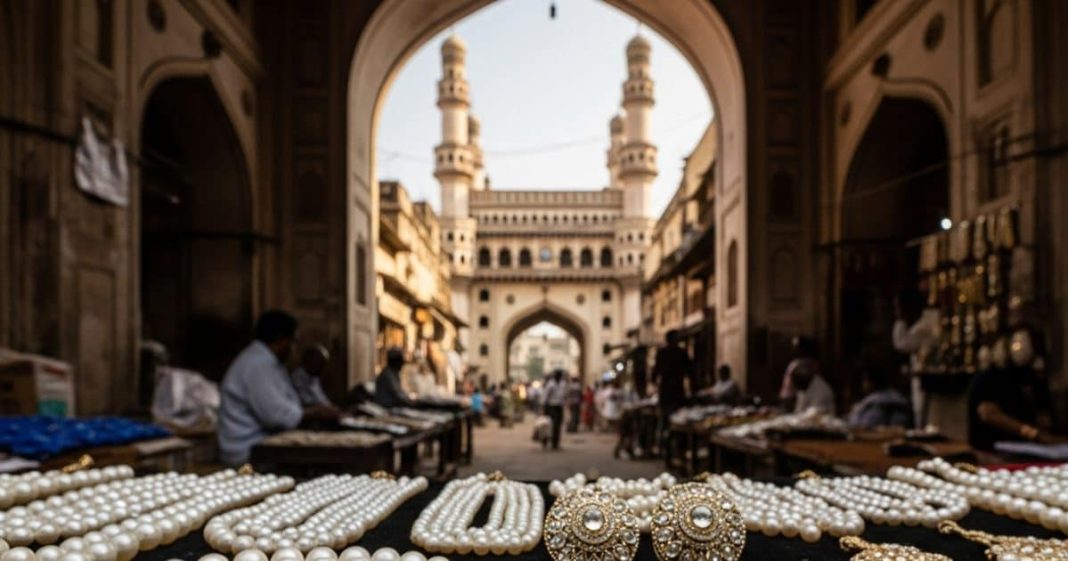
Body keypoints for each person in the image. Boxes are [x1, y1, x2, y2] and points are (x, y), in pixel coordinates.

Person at [218, 310, 338, 465]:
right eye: (292, 341)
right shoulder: (256, 365)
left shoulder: (269, 363)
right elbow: (276, 416)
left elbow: (288, 403)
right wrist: (316, 413)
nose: (293, 348)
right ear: (280, 339)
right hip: (245, 450)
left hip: (261, 444)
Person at [968, 328, 1064, 449]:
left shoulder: (1028, 376)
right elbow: (987, 413)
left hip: (1029, 448)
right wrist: (1034, 434)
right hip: (993, 449)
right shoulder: (989, 378)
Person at [892, 287, 940, 427]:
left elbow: (901, 343)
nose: (897, 313)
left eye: (899, 308)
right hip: (922, 384)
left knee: (924, 418)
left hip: (928, 384)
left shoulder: (924, 328)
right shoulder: (920, 325)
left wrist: (900, 320)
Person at [651, 330, 693, 451]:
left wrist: (655, 384)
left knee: (666, 422)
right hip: (677, 392)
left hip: (666, 392)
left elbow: (655, 373)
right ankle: (677, 449)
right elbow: (690, 372)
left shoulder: (662, 352)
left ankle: (666, 449)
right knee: (679, 422)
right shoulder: (681, 352)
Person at [846, 366, 911, 429]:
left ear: (871, 382)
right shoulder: (899, 398)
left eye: (864, 380)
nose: (864, 384)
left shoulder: (872, 402)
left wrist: (854, 412)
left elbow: (862, 425)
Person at [779, 336, 821, 411]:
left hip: (794, 398)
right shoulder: (795, 363)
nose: (794, 349)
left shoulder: (807, 364)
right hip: (787, 397)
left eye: (797, 347)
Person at [541, 369, 567, 450]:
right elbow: (545, 396)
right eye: (557, 375)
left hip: (559, 407)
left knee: (558, 425)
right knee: (550, 425)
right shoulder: (550, 384)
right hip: (551, 406)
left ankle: (556, 443)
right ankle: (546, 441)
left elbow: (564, 394)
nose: (558, 377)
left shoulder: (563, 384)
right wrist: (544, 408)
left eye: (560, 375)